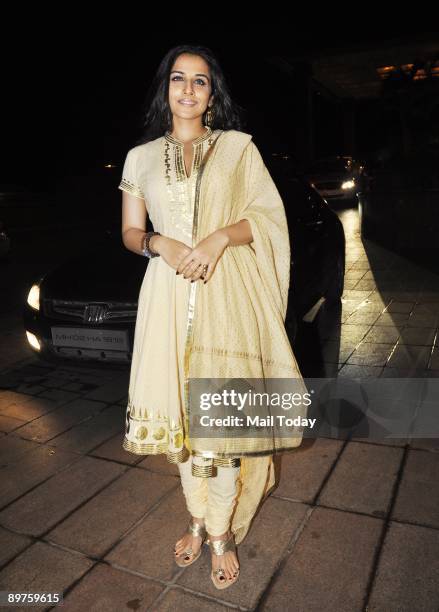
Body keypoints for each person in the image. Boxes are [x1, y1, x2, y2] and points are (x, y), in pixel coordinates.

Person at [119, 44, 307, 590]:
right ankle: (197, 520)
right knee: (182, 424)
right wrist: (161, 244)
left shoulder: (237, 150)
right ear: (165, 89)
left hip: (228, 297)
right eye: (178, 79)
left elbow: (266, 218)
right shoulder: (140, 158)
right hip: (167, 296)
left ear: (212, 94)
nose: (188, 89)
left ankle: (222, 532)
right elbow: (131, 233)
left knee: (222, 423)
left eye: (200, 81)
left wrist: (221, 236)